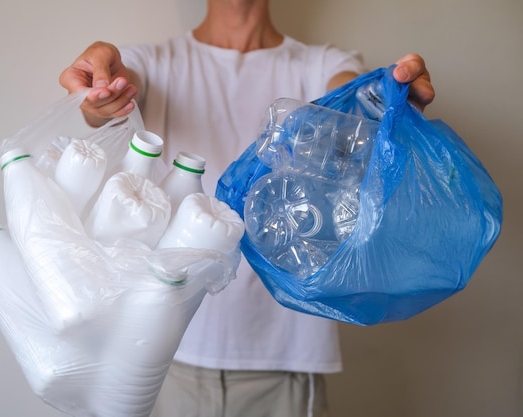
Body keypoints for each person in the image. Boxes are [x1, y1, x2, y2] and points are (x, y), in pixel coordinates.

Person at [59, 1, 435, 416]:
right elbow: (115, 91)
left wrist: (389, 99)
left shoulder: (321, 63)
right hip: (165, 355)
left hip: (282, 361)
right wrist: (101, 91)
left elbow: (354, 98)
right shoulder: (154, 63)